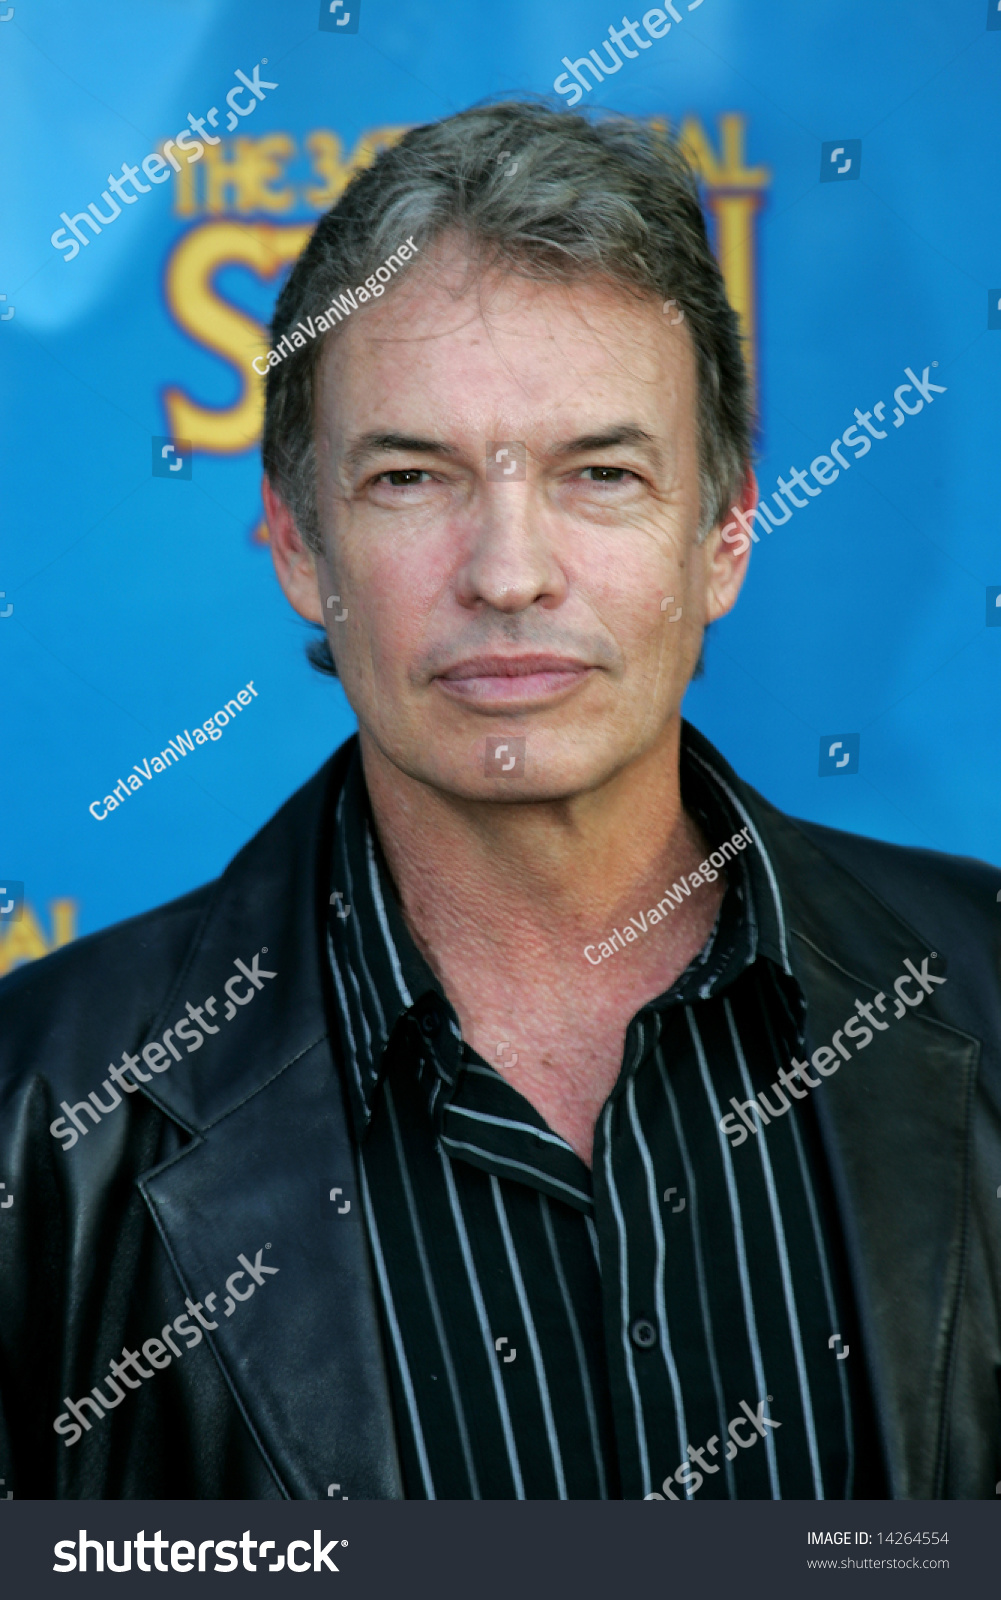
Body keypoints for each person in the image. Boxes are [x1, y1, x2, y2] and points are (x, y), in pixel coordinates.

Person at [1, 101, 998, 1502]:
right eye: (413, 478)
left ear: (719, 539)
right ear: (300, 547)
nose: (510, 571)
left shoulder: (982, 981)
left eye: (600, 474)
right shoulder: (40, 1117)